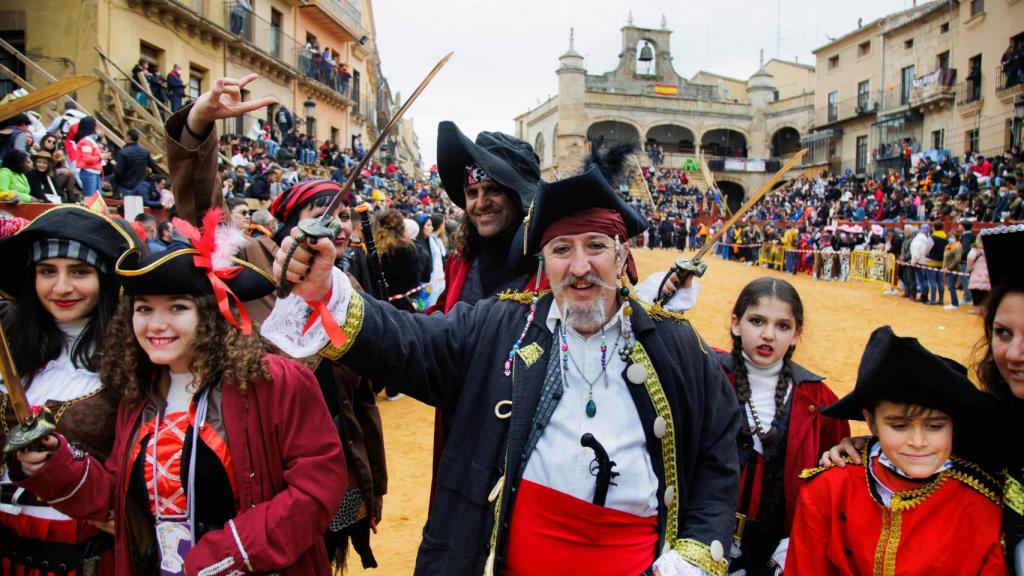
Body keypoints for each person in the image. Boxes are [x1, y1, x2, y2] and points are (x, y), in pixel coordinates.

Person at [265, 147, 741, 575]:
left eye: (595, 246)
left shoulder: (679, 348)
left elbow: (718, 456)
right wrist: (325, 291)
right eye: (561, 250)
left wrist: (692, 558)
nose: (579, 267)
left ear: (622, 255)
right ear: (544, 260)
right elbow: (414, 342)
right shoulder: (500, 325)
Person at [12, 209, 347, 575]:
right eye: (144, 309)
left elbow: (319, 487)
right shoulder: (139, 395)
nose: (156, 325)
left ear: (210, 315)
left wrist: (225, 554)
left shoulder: (276, 383)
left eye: (177, 308)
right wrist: (54, 463)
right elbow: (120, 502)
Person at [163, 78, 387, 569]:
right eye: (319, 211)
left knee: (321, 560)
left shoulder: (348, 290)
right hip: (260, 469)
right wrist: (199, 127)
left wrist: (373, 483)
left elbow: (360, 398)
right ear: (288, 221)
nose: (338, 224)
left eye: (344, 213)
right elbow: (204, 216)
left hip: (335, 469)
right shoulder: (249, 265)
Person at [788, 326, 1005, 575]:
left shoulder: (981, 507)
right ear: (871, 422)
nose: (917, 441)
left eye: (935, 426)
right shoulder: (829, 488)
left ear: (953, 426)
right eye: (899, 426)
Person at [0, 205, 140, 574]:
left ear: (105, 279)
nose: (61, 287)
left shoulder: (138, 355)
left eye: (79, 271)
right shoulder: (10, 345)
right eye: (47, 271)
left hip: (83, 554)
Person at [718, 278, 849, 575]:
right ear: (736, 324)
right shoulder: (710, 377)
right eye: (757, 321)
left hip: (778, 549)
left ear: (796, 334)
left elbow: (833, 479)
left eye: (782, 326)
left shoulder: (820, 401)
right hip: (707, 533)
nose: (768, 335)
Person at [114, 128, 157, 199]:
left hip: (126, 186)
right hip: (140, 186)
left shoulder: (123, 152)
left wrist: (117, 182)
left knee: (124, 208)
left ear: (128, 137)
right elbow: (153, 165)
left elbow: (119, 171)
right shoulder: (145, 151)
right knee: (138, 209)